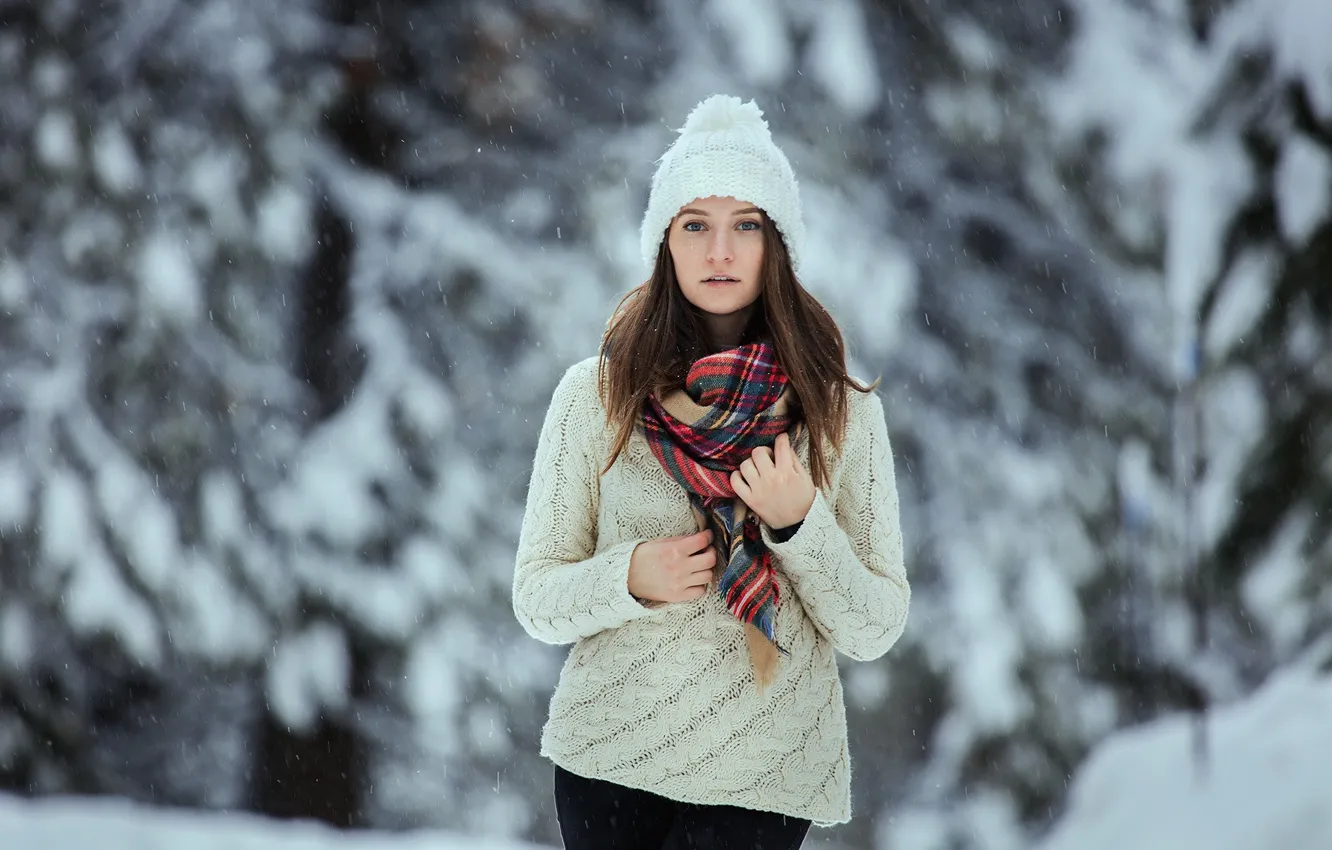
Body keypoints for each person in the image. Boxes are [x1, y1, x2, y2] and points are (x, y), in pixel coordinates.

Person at [512, 94, 910, 850]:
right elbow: (536, 597)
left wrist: (799, 524)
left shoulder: (839, 415)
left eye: (745, 226)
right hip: (610, 760)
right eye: (695, 225)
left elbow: (875, 627)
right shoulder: (595, 399)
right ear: (665, 242)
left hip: (763, 773)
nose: (719, 251)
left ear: (777, 244)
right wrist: (627, 576)